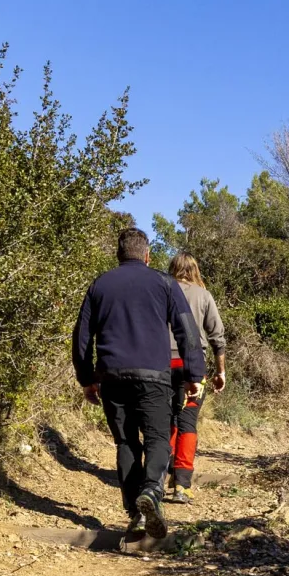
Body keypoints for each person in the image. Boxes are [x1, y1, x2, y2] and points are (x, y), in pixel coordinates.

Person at [72, 228, 205, 539]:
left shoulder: (100, 284)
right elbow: (187, 331)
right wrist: (193, 375)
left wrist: (87, 378)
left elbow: (81, 337)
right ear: (147, 255)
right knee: (158, 438)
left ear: (119, 255)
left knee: (126, 443)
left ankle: (135, 513)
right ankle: (151, 493)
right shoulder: (164, 283)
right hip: (155, 376)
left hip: (112, 376)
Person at [165, 253, 227, 503]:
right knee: (187, 421)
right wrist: (220, 371)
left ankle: (156, 479)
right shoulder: (204, 295)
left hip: (161, 365)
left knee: (164, 419)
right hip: (193, 367)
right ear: (195, 270)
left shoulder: (162, 291)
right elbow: (217, 336)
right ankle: (182, 485)